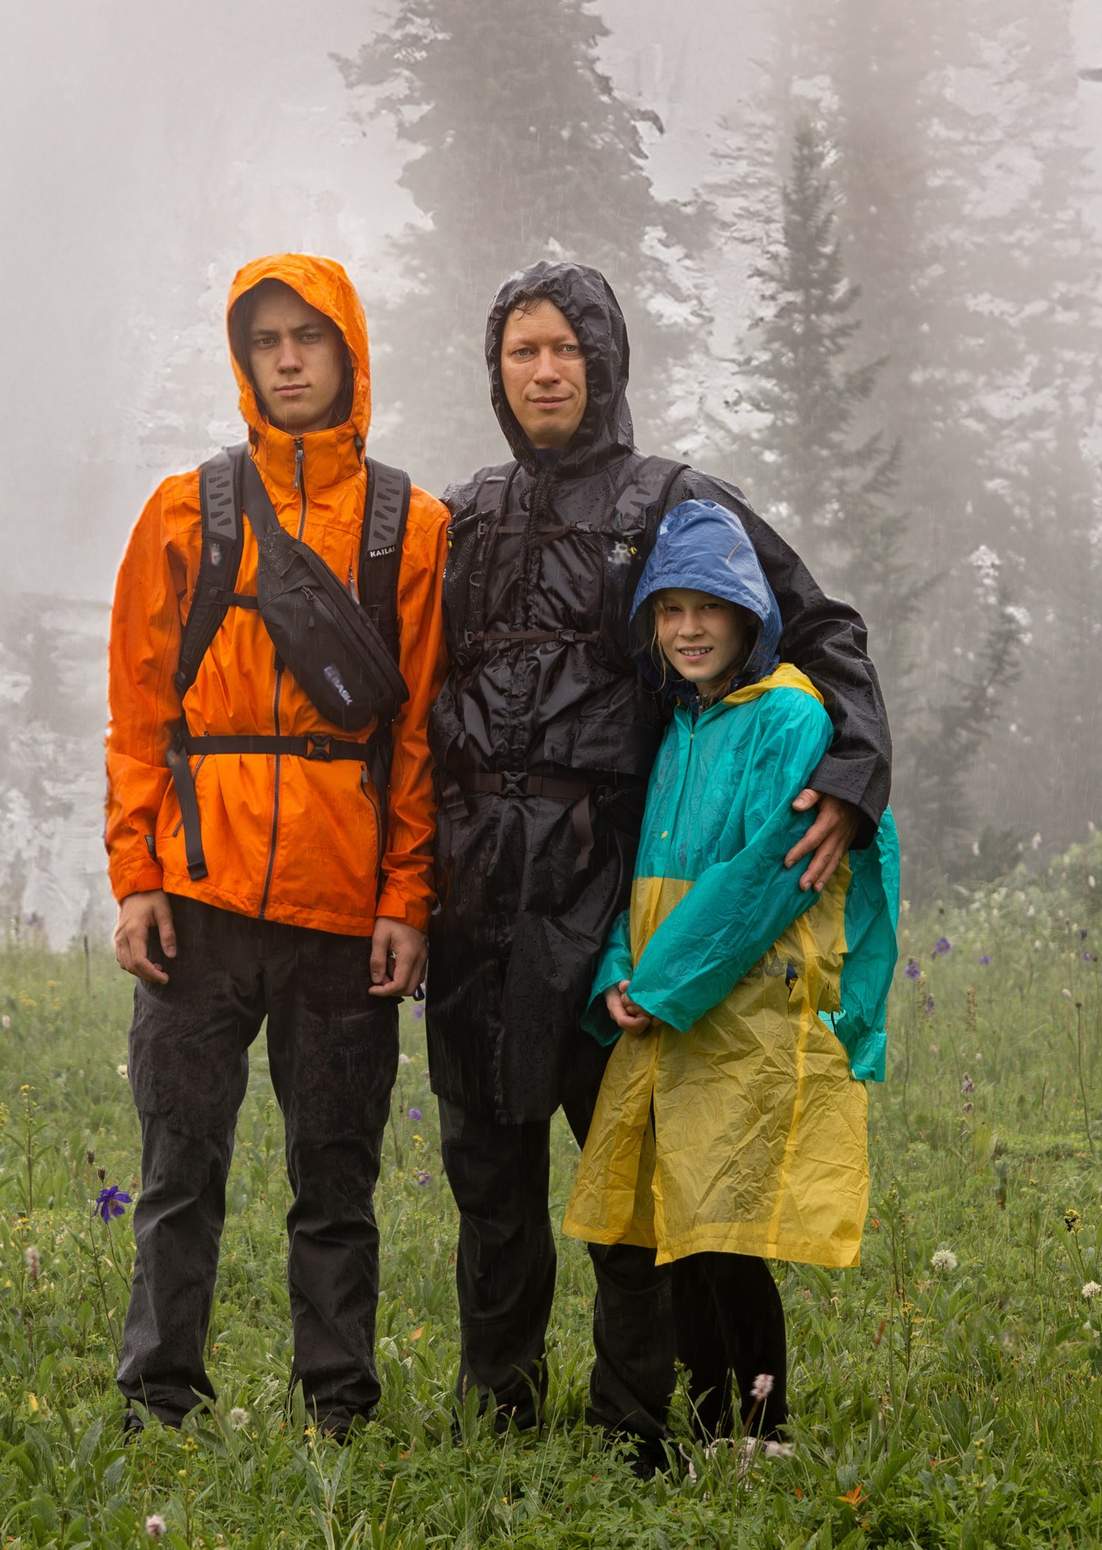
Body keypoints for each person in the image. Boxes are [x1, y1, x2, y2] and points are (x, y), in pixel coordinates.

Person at [426, 261, 890, 1467]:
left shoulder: (674, 502)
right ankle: (498, 1412)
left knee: (636, 1180)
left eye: (565, 350)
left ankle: (636, 1424)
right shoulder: (461, 517)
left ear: (605, 363)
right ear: (495, 372)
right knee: (488, 1178)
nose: (544, 372)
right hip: (476, 897)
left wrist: (853, 775)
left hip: (609, 894)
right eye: (522, 351)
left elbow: (819, 626)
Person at [103, 253, 449, 1437]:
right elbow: (139, 715)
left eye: (309, 338)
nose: (288, 360)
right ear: (242, 359)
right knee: (177, 1169)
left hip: (343, 913)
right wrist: (137, 879)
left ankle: (338, 1409)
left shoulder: (413, 528)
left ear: (349, 352)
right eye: (266, 341)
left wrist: (405, 898)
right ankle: (158, 1402)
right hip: (195, 902)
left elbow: (419, 738)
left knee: (336, 1179)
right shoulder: (182, 513)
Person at [564, 497, 899, 1447]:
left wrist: (659, 984)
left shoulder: (787, 712)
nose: (689, 628)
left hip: (746, 1010)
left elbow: (765, 879)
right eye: (670, 610)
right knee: (680, 1217)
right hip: (669, 1008)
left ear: (750, 613)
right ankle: (715, 1424)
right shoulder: (682, 723)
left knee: (729, 1228)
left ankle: (760, 1426)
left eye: (709, 606)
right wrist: (619, 971)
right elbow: (642, 875)